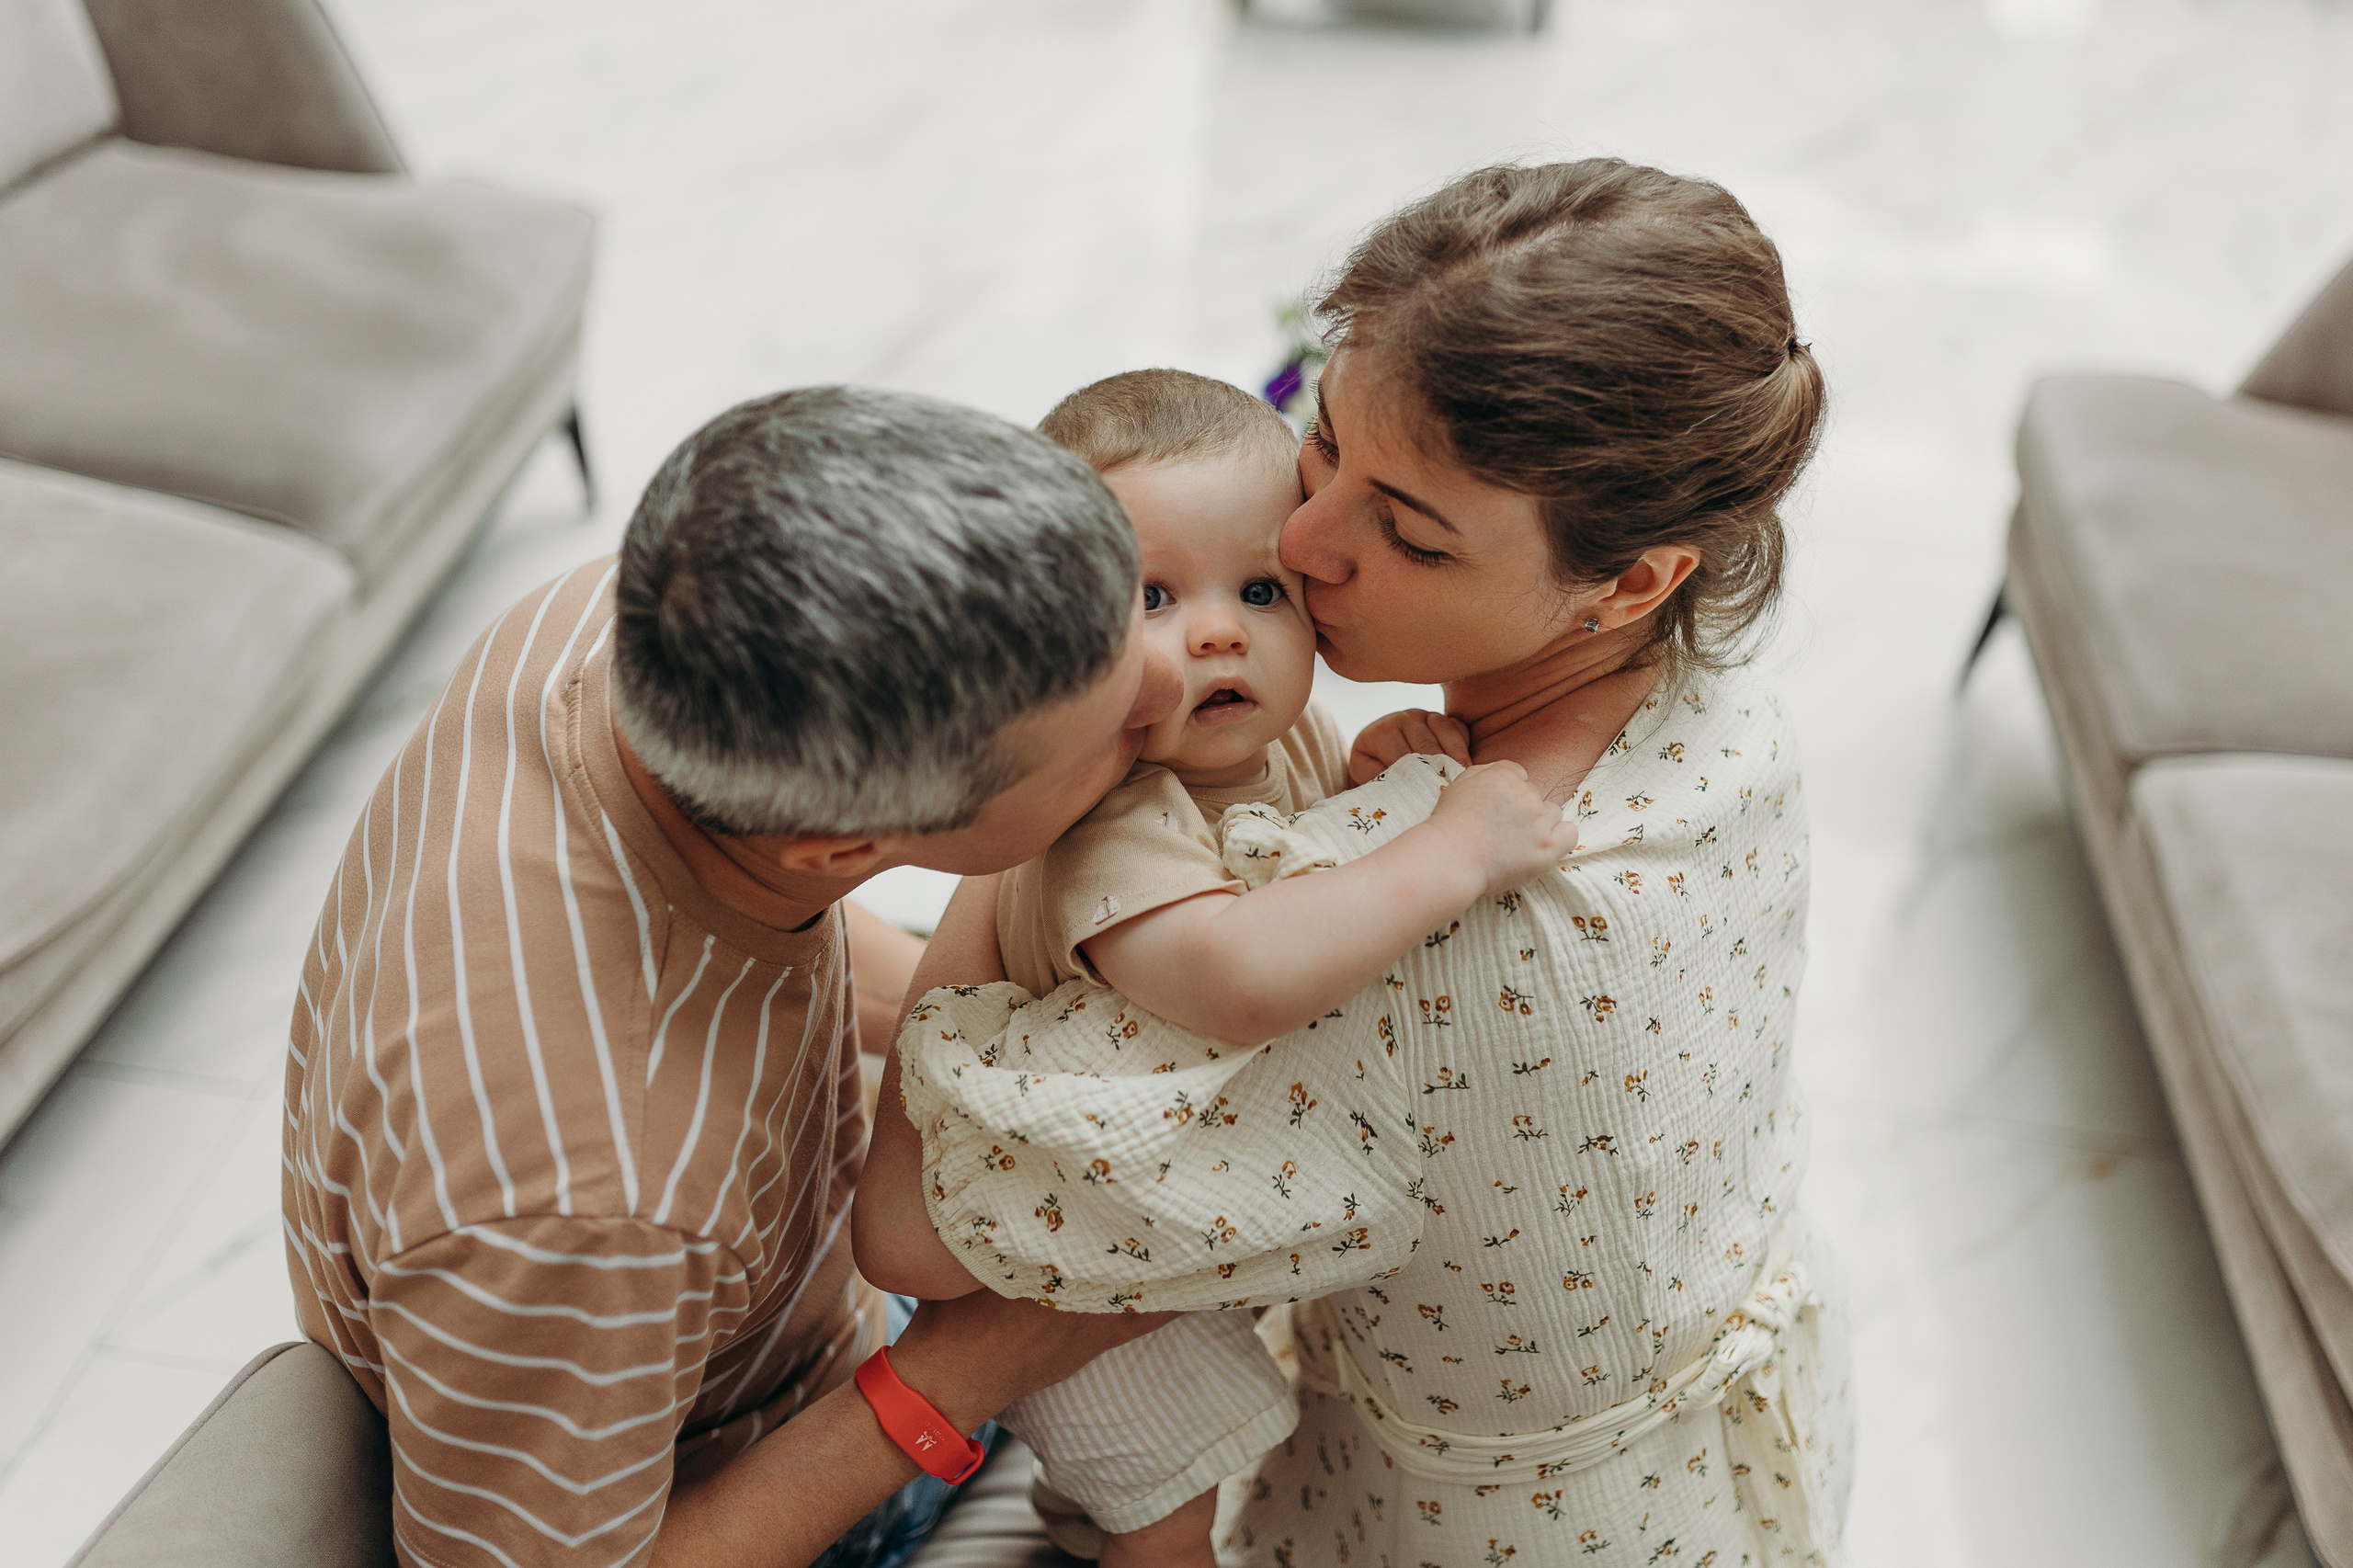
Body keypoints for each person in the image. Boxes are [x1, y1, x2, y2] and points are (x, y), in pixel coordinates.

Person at [859, 159, 1851, 1567]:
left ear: (1633, 578)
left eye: (1407, 528)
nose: (1302, 539)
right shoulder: (1726, 712)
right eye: (1321, 445)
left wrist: (1051, 799)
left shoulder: (1396, 932)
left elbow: (911, 1222)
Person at [279, 385, 1193, 1568]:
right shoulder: (592, 1199)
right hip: (714, 1465)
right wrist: (979, 1362)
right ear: (843, 846)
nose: (1168, 698)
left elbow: (768, 949)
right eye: (1111, 730)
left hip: (686, 1301)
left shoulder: (626, 622)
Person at [851, 369, 1574, 1568]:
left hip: (1132, 1223)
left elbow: (1294, 868)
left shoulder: (1283, 734)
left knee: (1176, 1473)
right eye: (1152, 597)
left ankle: (1080, 1519)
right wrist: (1446, 850)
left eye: (1259, 588)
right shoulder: (1113, 806)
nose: (1220, 630)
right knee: (1176, 1506)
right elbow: (1227, 970)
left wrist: (1369, 788)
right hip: (1037, 1254)